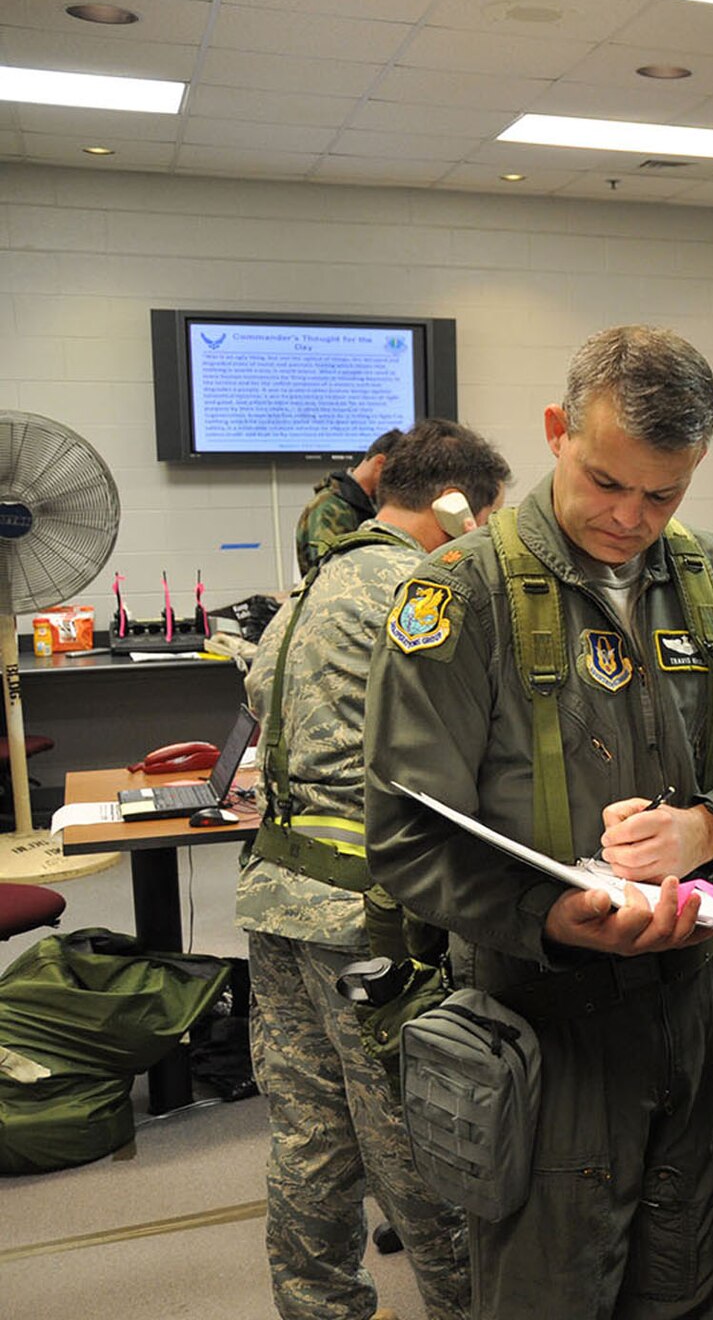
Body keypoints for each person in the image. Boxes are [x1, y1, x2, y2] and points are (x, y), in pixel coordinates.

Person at [363, 324, 713, 1320]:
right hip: (538, 1019)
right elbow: (406, 833)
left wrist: (711, 825)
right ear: (555, 431)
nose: (628, 517)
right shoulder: (460, 599)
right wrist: (548, 913)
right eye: (605, 481)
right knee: (546, 1293)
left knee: (686, 1283)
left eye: (661, 493)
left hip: (688, 1002)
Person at [242, 417, 511, 1320]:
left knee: (311, 1144)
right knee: (425, 1149)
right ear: (460, 507)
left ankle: (321, 1311)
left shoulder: (310, 591)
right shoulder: (423, 592)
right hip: (374, 926)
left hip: (280, 901)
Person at [297, 428, 403, 574]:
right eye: (398, 474)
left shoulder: (370, 504)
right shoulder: (328, 508)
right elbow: (328, 573)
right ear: (380, 463)